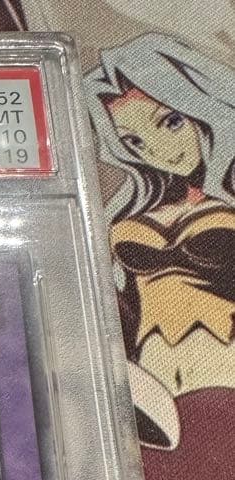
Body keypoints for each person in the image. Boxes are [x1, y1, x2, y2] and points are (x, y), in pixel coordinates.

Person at [84, 34, 235, 428]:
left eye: (170, 121)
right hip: (155, 380)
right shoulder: (129, 210)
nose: (158, 150)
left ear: (199, 106)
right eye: (133, 140)